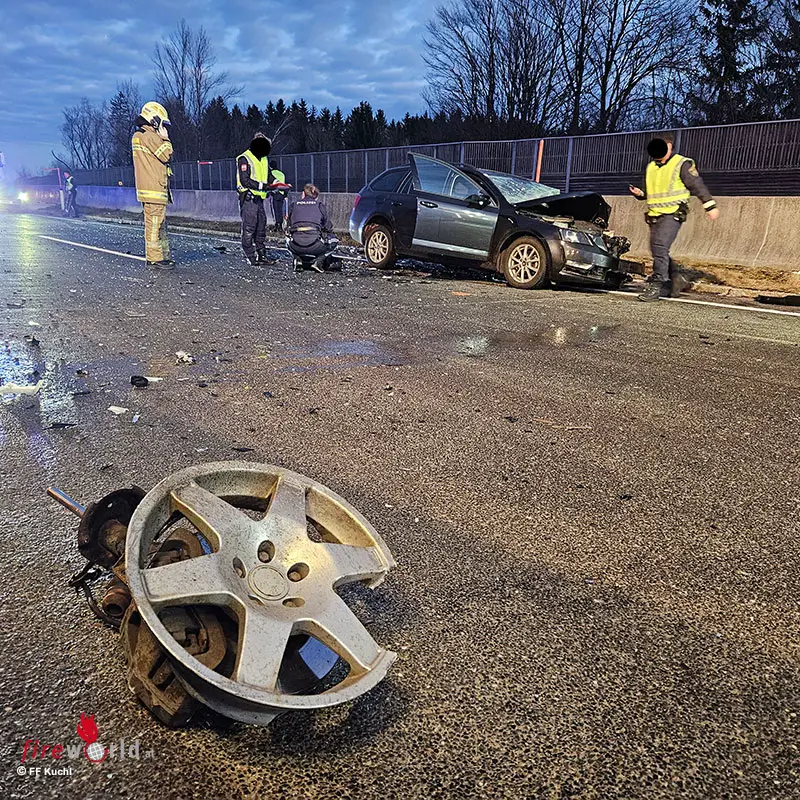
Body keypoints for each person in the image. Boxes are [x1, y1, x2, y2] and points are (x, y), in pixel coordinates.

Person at [629, 133, 719, 302]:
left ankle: (658, 284)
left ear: (670, 147)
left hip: (673, 213)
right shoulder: (651, 167)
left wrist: (709, 205)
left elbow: (696, 185)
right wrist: (640, 194)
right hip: (654, 215)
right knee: (658, 249)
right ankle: (675, 281)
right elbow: (650, 192)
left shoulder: (681, 164)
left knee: (660, 246)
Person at [131, 102, 174, 268]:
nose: (163, 127)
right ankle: (155, 258)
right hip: (154, 189)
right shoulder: (149, 135)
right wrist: (165, 137)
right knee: (155, 225)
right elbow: (166, 154)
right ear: (154, 120)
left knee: (156, 224)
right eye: (162, 124)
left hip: (151, 189)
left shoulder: (139, 135)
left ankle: (160, 256)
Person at [236, 133, 275, 266]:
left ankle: (261, 255)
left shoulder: (264, 159)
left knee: (261, 228)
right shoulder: (244, 158)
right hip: (248, 198)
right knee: (249, 228)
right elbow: (244, 180)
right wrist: (263, 186)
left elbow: (269, 175)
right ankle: (250, 256)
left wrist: (277, 183)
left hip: (259, 199)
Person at [286, 183, 336, 273]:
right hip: (315, 245)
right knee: (335, 240)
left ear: (303, 194)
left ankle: (297, 259)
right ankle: (318, 261)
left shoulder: (293, 205)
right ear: (316, 197)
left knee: (286, 239)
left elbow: (287, 225)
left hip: (295, 245)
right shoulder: (319, 205)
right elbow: (328, 226)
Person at [268, 160, 289, 232]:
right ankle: (281, 224)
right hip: (282, 193)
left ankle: (278, 225)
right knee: (280, 210)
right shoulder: (282, 174)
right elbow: (284, 184)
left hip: (275, 193)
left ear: (270, 167)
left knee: (276, 210)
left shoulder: (271, 173)